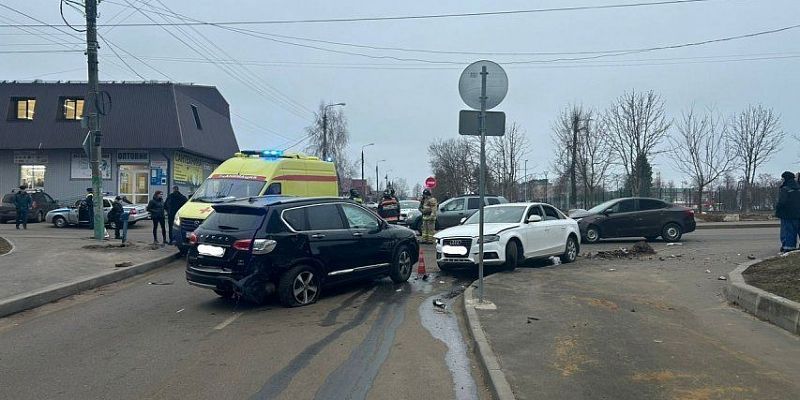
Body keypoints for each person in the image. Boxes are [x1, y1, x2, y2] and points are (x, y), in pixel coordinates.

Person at [775, 171, 800, 253]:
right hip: (798, 214)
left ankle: (789, 248)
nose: (782, 180)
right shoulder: (798, 188)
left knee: (789, 231)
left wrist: (777, 211)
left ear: (786, 178)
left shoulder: (785, 189)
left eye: (782, 178)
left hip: (788, 215)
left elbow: (782, 202)